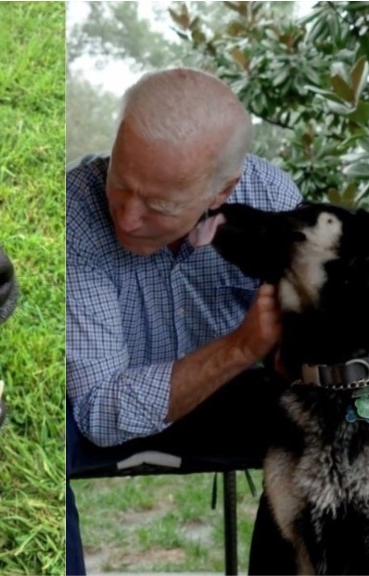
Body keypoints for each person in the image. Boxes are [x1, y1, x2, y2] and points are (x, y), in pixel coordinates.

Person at [65, 68, 302, 574]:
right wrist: (241, 347)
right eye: (120, 183)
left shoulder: (269, 200)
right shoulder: (77, 209)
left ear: (223, 191)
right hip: (90, 404)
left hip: (229, 401)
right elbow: (99, 410)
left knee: (326, 422)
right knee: (40, 427)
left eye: (159, 205)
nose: (127, 217)